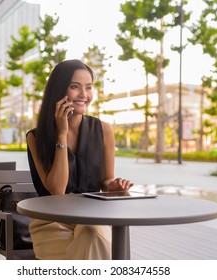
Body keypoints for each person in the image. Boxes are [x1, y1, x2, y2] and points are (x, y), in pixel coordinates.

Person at [26, 59, 133, 260]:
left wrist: (114, 187)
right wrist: (61, 135)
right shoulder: (36, 137)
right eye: (75, 87)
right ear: (58, 90)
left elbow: (106, 180)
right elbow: (57, 190)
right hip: (51, 222)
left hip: (91, 219)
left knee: (91, 235)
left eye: (89, 87)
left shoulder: (104, 130)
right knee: (92, 249)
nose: (84, 95)